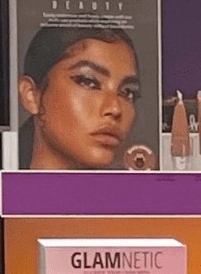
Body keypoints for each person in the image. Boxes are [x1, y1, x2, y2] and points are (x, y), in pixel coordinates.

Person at [17, 26, 141, 169]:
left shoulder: (142, 190)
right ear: (31, 95)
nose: (115, 108)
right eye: (88, 82)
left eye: (127, 92)